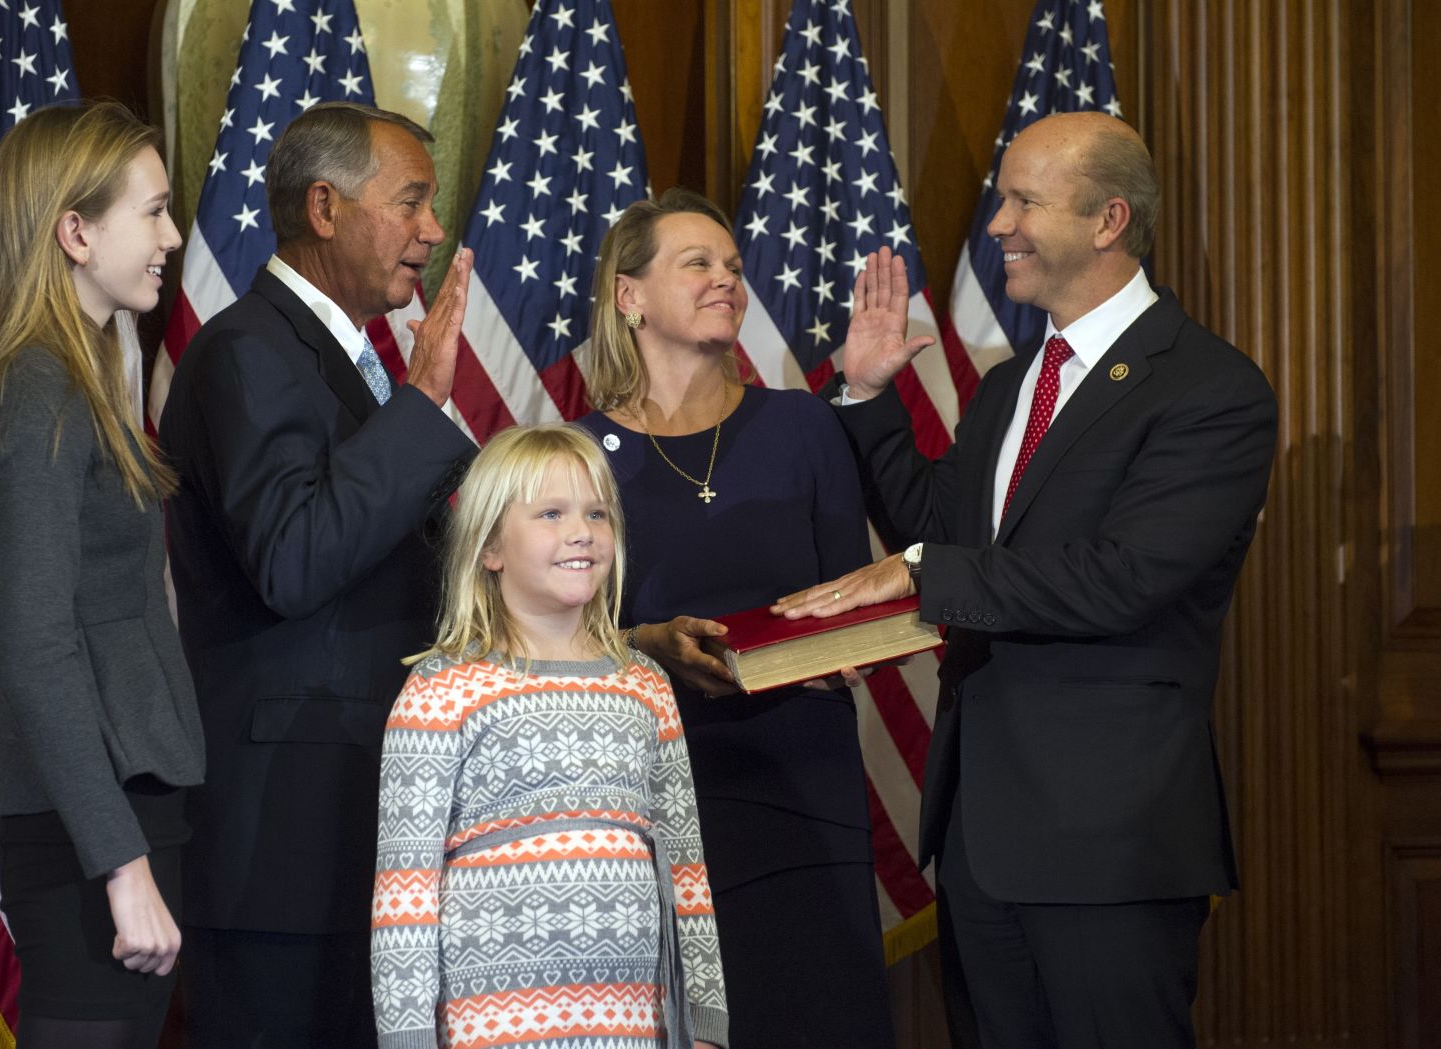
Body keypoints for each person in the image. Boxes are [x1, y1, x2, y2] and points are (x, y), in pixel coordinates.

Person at [775, 112, 1279, 1049]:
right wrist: (871, 397)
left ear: (1108, 220)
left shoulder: (1212, 390)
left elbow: (1125, 579)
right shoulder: (1013, 386)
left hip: (1107, 845)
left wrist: (921, 569)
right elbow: (942, 536)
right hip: (980, 840)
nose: (998, 223)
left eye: (1023, 201)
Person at [157, 101, 477, 1047]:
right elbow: (294, 560)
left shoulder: (342, 358)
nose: (431, 229)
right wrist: (421, 405)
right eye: (412, 202)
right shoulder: (247, 351)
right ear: (326, 207)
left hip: (360, 836)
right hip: (283, 850)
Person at [576, 189, 897, 1049]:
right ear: (630, 295)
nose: (726, 279)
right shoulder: (577, 457)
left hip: (803, 781)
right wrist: (645, 644)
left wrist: (855, 647)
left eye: (733, 266)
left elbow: (849, 596)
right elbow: (552, 646)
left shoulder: (803, 424)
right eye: (699, 264)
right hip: (660, 798)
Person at [0, 101, 201, 1049]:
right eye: (155, 211)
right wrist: (123, 867)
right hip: (94, 814)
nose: (172, 237)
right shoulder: (39, 383)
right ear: (75, 231)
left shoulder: (70, 370)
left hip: (112, 790)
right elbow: (41, 643)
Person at [372, 423, 728, 1049]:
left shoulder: (643, 681)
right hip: (494, 1027)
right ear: (490, 547)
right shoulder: (442, 688)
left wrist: (704, 1020)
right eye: (551, 513)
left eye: (597, 513)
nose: (582, 532)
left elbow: (684, 862)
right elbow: (404, 894)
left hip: (634, 1022)